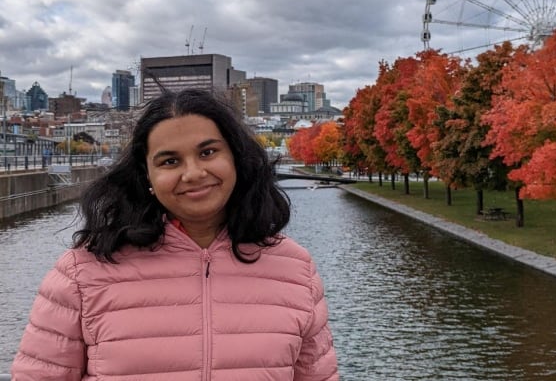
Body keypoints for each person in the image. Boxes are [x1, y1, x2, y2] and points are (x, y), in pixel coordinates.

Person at [11, 88, 339, 380]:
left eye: (208, 152)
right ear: (148, 177)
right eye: (170, 161)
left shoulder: (295, 269)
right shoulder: (83, 272)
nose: (194, 173)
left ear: (236, 159)